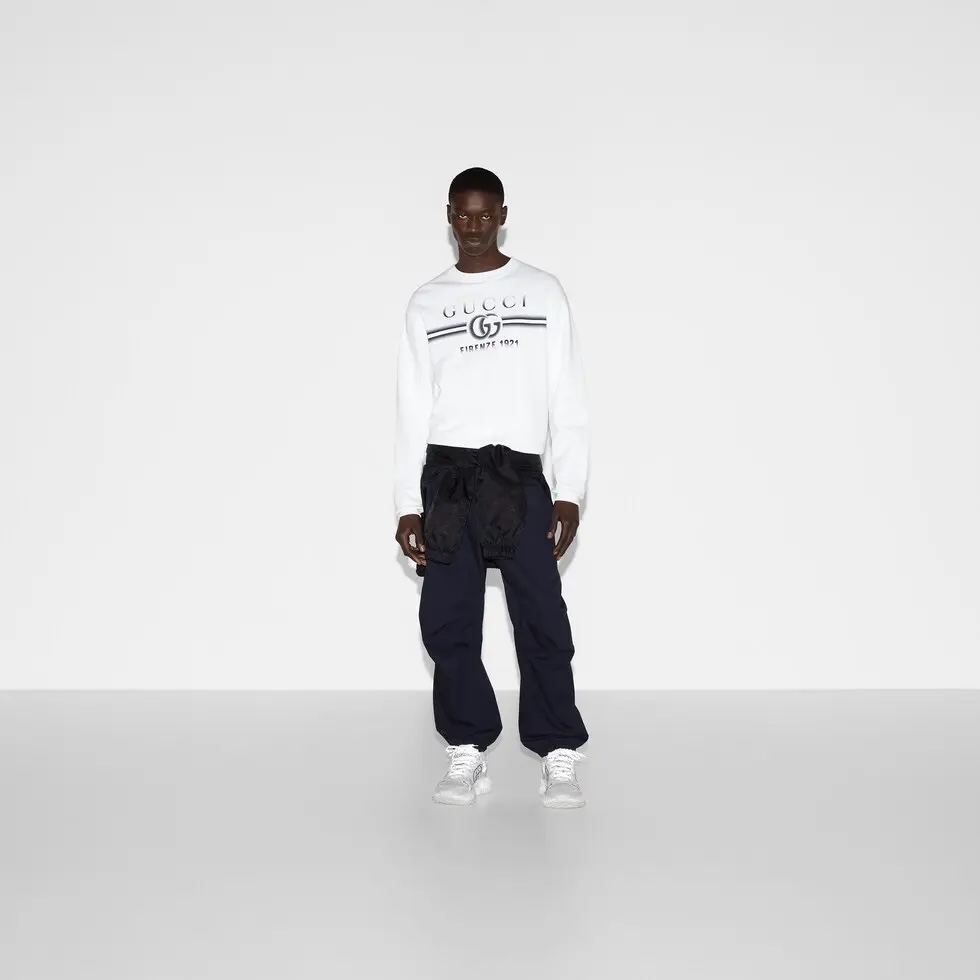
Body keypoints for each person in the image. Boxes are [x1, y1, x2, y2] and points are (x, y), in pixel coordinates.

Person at [393, 167, 590, 808]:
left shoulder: (541, 291)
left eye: (485, 214)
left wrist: (569, 491)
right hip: (447, 477)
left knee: (541, 617)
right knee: (447, 621)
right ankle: (466, 747)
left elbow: (566, 398)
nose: (473, 226)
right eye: (462, 213)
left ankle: (557, 750)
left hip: (519, 476)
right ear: (448, 215)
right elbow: (412, 409)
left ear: (503, 214)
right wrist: (408, 504)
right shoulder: (426, 301)